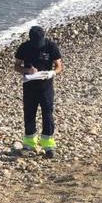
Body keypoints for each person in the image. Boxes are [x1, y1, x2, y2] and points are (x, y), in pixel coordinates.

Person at [13, 26, 63, 158]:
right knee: (29, 114)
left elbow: (59, 66)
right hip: (29, 85)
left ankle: (48, 145)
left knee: (47, 113)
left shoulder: (50, 46)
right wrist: (27, 70)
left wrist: (51, 72)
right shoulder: (24, 47)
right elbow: (16, 66)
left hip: (46, 85)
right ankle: (29, 144)